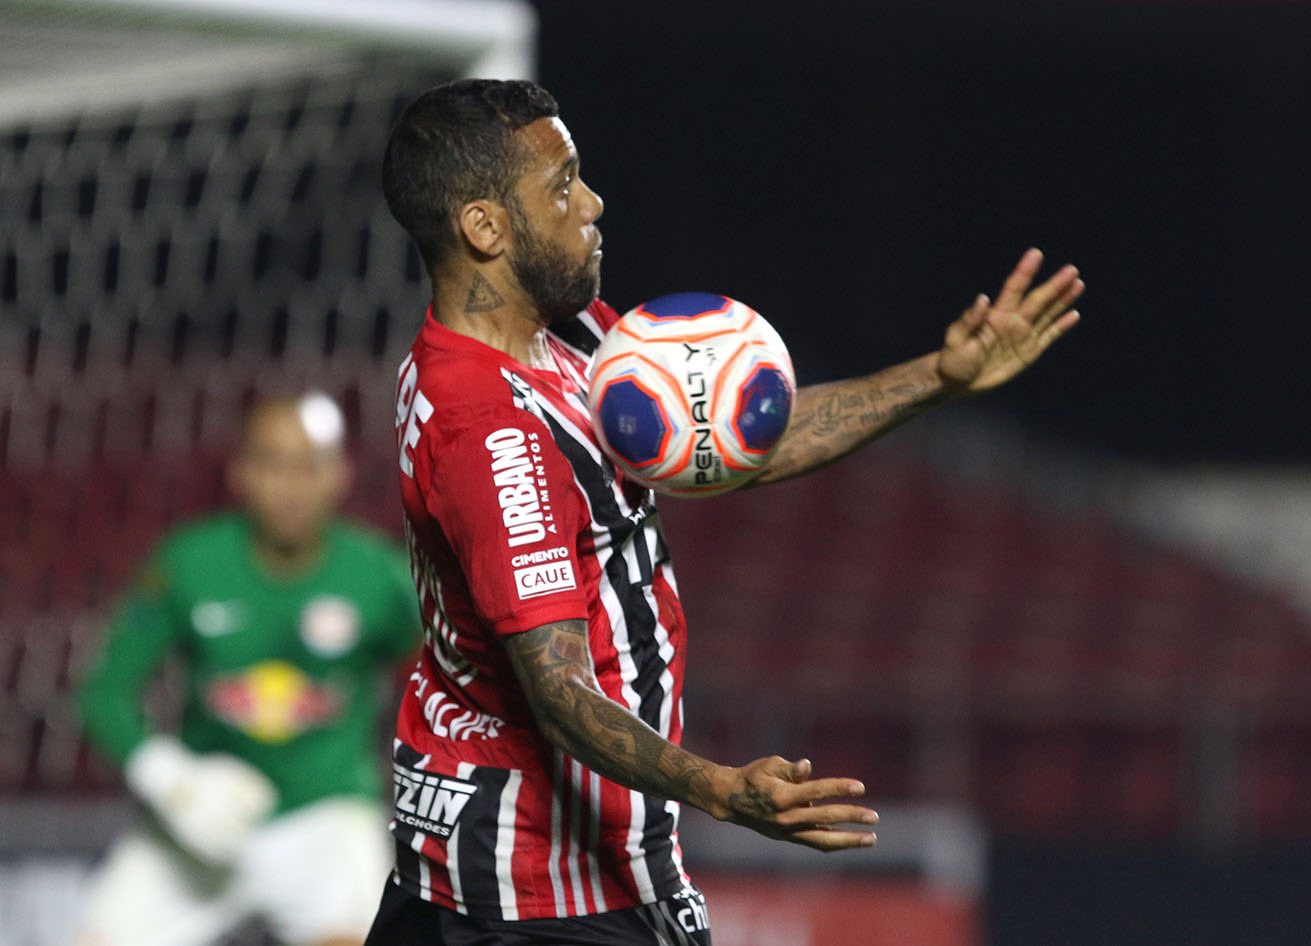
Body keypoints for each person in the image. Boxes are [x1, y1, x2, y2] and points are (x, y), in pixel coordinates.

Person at [373, 78, 1083, 945]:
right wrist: (721, 791)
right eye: (562, 187)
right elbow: (557, 690)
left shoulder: (571, 335)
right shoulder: (489, 429)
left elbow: (733, 449)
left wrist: (940, 375)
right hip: (532, 896)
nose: (593, 204)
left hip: (532, 868)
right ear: (484, 228)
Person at [74, 392, 421, 946]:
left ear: (339, 475)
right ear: (240, 471)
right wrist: (169, 777)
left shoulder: (379, 577)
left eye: (309, 466)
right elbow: (104, 693)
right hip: (200, 815)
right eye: (272, 464)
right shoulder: (189, 564)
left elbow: (449, 679)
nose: (290, 486)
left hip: (326, 816)